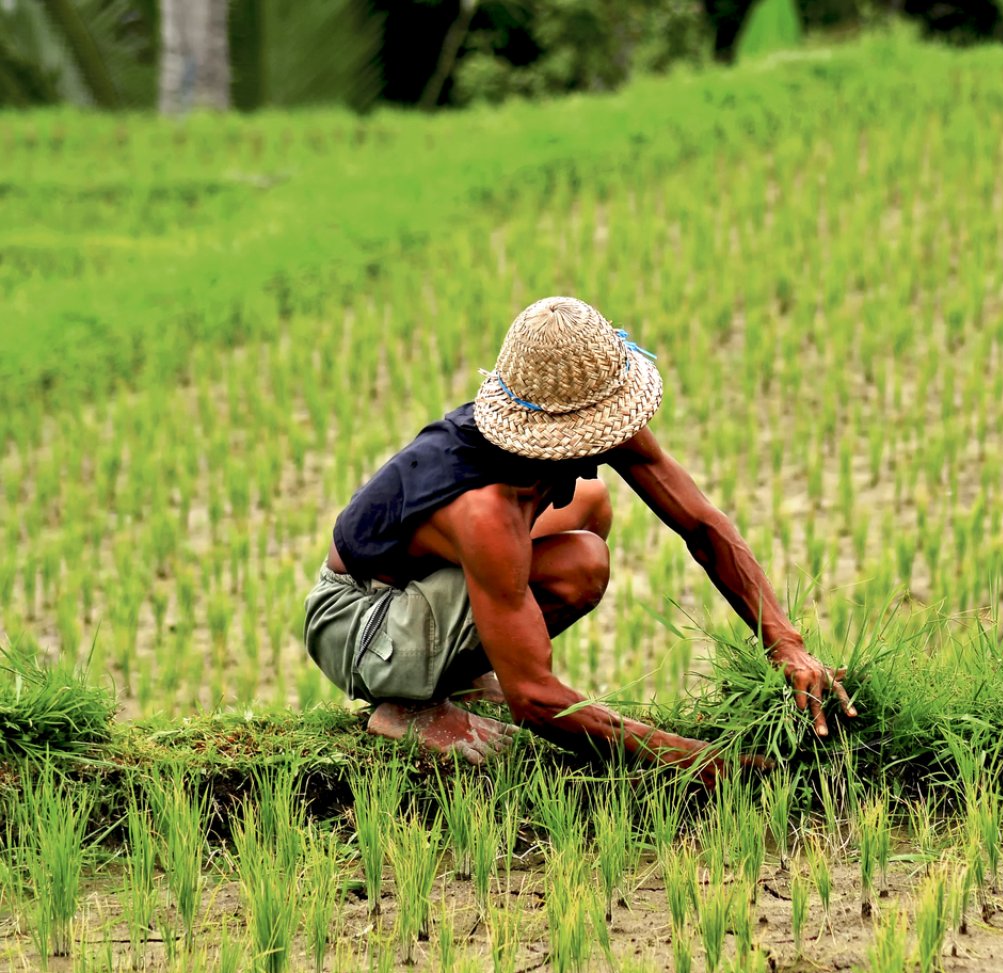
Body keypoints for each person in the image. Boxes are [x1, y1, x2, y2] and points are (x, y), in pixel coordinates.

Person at [302, 296, 854, 782]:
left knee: (590, 504)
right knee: (581, 563)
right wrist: (701, 763)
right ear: (564, 437)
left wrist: (785, 642)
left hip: (417, 583)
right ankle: (407, 704)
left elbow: (702, 525)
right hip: (359, 622)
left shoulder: (568, 423)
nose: (617, 435)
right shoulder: (486, 510)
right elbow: (535, 701)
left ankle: (463, 673)